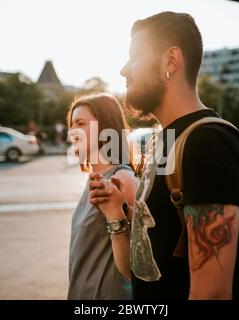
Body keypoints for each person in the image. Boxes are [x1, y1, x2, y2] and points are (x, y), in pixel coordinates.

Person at [90, 12, 239, 300]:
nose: (124, 70)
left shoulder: (208, 141)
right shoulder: (160, 141)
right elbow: (136, 270)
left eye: (135, 56)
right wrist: (115, 211)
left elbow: (212, 293)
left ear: (171, 61)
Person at [67, 93, 138, 300]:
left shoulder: (122, 178)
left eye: (80, 123)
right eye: (71, 125)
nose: (72, 131)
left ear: (105, 128)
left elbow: (136, 262)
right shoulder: (95, 179)